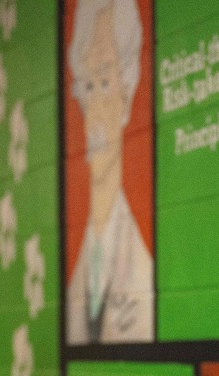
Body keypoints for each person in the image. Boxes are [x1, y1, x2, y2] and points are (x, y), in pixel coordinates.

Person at [65, 0, 155, 344]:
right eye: (87, 87)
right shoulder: (79, 274)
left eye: (104, 83)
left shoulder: (142, 272)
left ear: (127, 96)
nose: (94, 112)